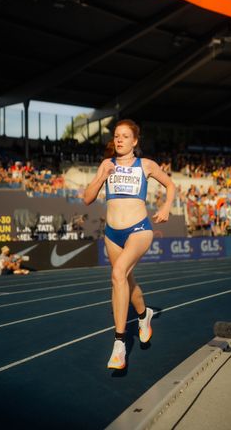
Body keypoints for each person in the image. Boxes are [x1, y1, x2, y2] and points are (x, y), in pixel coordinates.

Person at [83, 119, 175, 370]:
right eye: (116, 136)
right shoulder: (106, 164)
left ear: (135, 140)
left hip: (139, 230)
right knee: (127, 280)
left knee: (117, 274)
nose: (119, 139)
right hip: (112, 233)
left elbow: (170, 185)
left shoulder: (146, 165)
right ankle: (144, 315)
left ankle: (120, 344)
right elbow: (88, 198)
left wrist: (166, 206)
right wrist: (101, 176)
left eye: (125, 136)